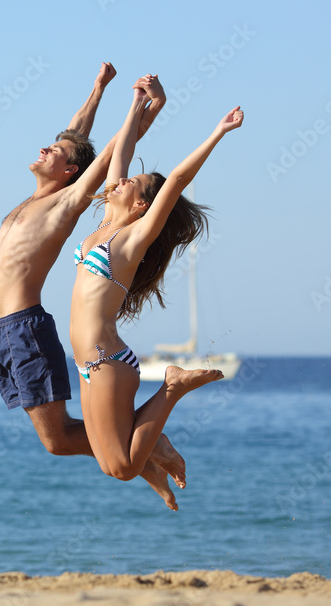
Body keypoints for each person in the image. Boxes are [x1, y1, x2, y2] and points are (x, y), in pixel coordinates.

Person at [0, 63, 187, 510]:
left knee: (58, 441)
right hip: (0, 331)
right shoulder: (34, 198)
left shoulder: (68, 201)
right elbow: (74, 134)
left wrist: (148, 106)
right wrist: (97, 89)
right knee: (55, 441)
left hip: (24, 328)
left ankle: (148, 445)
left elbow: (117, 147)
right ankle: (143, 445)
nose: (44, 148)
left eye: (54, 151)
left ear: (71, 171)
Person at [70, 75, 243, 485]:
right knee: (108, 463)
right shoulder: (108, 223)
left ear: (143, 204)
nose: (123, 179)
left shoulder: (133, 238)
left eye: (135, 183)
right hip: (87, 360)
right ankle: (159, 446)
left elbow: (178, 181)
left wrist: (218, 132)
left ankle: (173, 387)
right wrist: (136, 101)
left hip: (108, 360)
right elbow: (124, 149)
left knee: (122, 468)